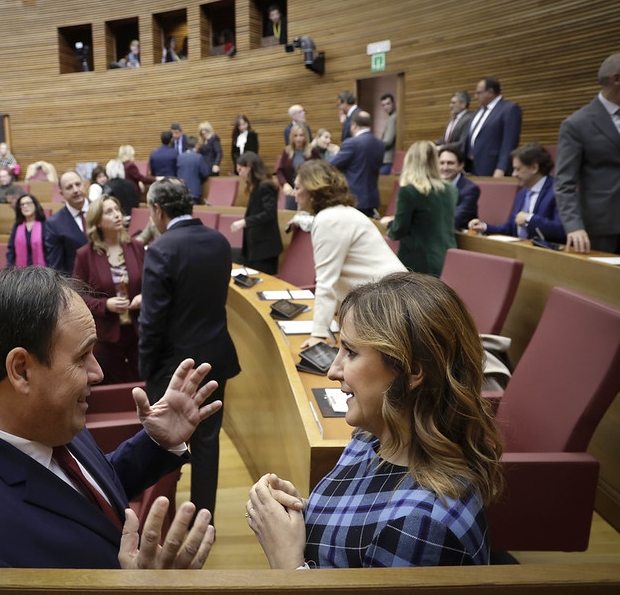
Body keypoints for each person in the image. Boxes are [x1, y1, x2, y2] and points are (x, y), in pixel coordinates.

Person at [0, 265, 218, 568]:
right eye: (82, 356)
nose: (98, 373)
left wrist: (155, 443)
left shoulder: (46, 415)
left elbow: (82, 495)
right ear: (21, 370)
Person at [246, 272, 503, 568]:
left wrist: (285, 561)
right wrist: (303, 513)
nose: (332, 370)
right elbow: (357, 539)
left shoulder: (419, 525)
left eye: (351, 353)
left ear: (410, 372)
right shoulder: (369, 439)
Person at [139, 178, 240, 521]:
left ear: (158, 210)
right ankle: (202, 520)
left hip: (173, 368)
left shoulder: (161, 249)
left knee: (165, 443)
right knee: (207, 443)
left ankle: (164, 519)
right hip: (215, 358)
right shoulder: (219, 241)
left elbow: (151, 323)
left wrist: (146, 369)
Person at [292, 161, 406, 349]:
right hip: (386, 301)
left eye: (297, 187)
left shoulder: (329, 219)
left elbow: (326, 281)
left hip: (388, 305)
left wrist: (319, 335)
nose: (294, 194)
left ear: (313, 190)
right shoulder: (341, 213)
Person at [73, 195, 145, 384]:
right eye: (109, 212)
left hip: (138, 332)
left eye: (117, 210)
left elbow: (152, 285)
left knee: (142, 385)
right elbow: (77, 296)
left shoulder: (136, 247)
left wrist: (144, 297)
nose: (117, 215)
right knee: (113, 390)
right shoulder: (85, 255)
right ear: (97, 222)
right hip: (106, 336)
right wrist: (105, 305)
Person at [554, 52, 620, 254]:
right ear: (616, 79)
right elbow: (564, 183)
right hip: (603, 229)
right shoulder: (576, 124)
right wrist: (574, 226)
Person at [380, 141, 457, 277]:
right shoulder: (451, 189)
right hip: (447, 259)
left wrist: (390, 224)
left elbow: (398, 231)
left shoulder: (409, 191)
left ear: (410, 161)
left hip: (418, 262)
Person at [468, 143, 565, 243]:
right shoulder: (522, 193)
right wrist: (484, 227)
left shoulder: (558, 192)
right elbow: (510, 228)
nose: (514, 174)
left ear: (534, 168)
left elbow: (561, 229)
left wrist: (529, 219)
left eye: (518, 169)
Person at [231, 152, 283, 275]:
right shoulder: (257, 187)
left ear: (248, 167)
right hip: (257, 248)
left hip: (265, 248)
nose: (240, 174)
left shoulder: (265, 186)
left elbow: (269, 213)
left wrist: (245, 222)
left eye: (240, 170)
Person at [462, 77, 522, 177]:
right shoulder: (477, 111)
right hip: (469, 167)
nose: (475, 97)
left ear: (490, 92)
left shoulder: (509, 109)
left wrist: (501, 167)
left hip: (491, 167)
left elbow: (509, 142)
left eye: (478, 93)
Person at [329, 111, 384, 218]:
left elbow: (332, 164)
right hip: (372, 199)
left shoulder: (352, 143)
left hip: (354, 199)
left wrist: (335, 153)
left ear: (354, 125)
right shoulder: (380, 144)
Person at [44, 170, 89, 276]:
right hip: (79, 286)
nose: (76, 190)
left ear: (84, 185)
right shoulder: (54, 224)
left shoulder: (102, 210)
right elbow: (57, 268)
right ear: (62, 194)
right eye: (69, 187)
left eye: (78, 184)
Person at [276, 124, 321, 209]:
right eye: (296, 136)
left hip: (308, 191)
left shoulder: (312, 150)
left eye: (301, 135)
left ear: (305, 136)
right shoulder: (287, 151)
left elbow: (319, 169)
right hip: (292, 191)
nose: (298, 138)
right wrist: (285, 184)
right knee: (290, 216)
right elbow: (279, 170)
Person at [438, 145, 480, 230]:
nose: (445, 168)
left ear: (461, 165)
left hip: (460, 238)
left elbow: (454, 219)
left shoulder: (470, 190)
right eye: (441, 163)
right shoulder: (432, 186)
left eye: (450, 163)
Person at [7, 193, 47, 268]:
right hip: (21, 272)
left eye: (28, 203)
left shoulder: (45, 225)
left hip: (43, 272)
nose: (25, 206)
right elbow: (11, 250)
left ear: (35, 205)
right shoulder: (17, 226)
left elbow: (49, 251)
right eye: (22, 204)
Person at [176, 136, 209, 203]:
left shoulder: (180, 157)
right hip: (193, 191)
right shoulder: (198, 157)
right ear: (196, 145)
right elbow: (205, 173)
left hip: (180, 191)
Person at [380, 94, 398, 175]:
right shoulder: (394, 117)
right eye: (383, 105)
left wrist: (375, 144)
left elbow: (388, 141)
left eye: (388, 103)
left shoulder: (393, 118)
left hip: (388, 159)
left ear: (394, 103)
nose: (386, 107)